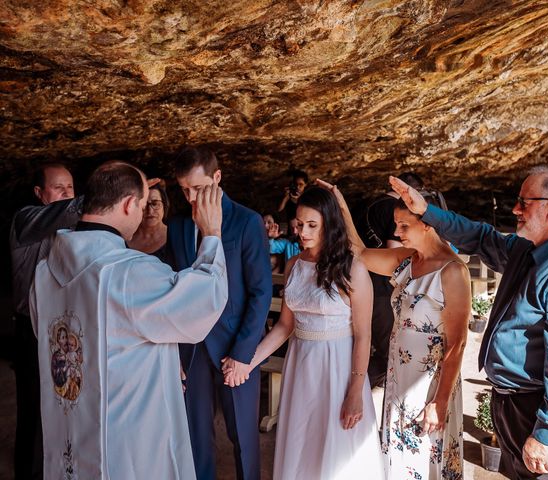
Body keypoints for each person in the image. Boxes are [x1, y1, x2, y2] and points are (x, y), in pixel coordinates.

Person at [390, 165, 548, 479]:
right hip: (514, 405)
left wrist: (547, 434)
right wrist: (427, 211)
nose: (515, 209)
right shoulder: (526, 250)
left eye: (524, 203)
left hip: (539, 411)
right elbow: (481, 237)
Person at [29, 161, 229, 479]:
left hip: (70, 433)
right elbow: (203, 303)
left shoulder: (44, 271)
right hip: (125, 443)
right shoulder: (129, 272)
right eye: (142, 205)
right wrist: (212, 234)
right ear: (129, 204)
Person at [225, 186, 384, 479]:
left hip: (337, 369)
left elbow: (363, 335)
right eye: (300, 224)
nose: (303, 232)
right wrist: (248, 360)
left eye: (313, 225)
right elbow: (286, 326)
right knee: (301, 445)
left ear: (329, 224)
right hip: (300, 366)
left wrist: (355, 393)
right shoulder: (294, 265)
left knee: (336, 449)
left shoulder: (353, 269)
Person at [319, 179, 470, 480]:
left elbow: (458, 345)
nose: (397, 233)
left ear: (427, 225)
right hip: (398, 379)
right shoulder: (405, 261)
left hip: (429, 386)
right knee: (398, 463)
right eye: (397, 226)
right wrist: (339, 201)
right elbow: (358, 252)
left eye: (404, 226)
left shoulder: (453, 271)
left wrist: (438, 403)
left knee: (425, 461)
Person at [167, 145, 271, 480]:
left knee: (243, 439)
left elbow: (260, 293)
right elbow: (175, 292)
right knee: (196, 441)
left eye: (197, 188)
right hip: (192, 351)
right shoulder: (179, 226)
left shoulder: (247, 221)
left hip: (235, 350)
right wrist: (176, 355)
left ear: (217, 178)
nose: (191, 197)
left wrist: (243, 355)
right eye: (184, 189)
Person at [9, 162, 78, 480]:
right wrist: (114, 193)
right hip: (32, 332)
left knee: (68, 413)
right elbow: (67, 211)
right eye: (58, 187)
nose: (66, 193)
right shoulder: (25, 220)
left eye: (70, 187)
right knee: (35, 415)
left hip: (66, 334)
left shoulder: (76, 230)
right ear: (39, 193)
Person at [356, 172, 434, 388]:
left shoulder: (366, 206)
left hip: (358, 283)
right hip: (382, 288)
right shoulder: (394, 210)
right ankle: (361, 394)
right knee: (386, 351)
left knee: (363, 343)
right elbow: (396, 253)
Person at [129, 180, 170, 261]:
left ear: (164, 206)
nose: (150, 211)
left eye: (155, 203)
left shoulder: (176, 237)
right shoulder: (125, 237)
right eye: (144, 205)